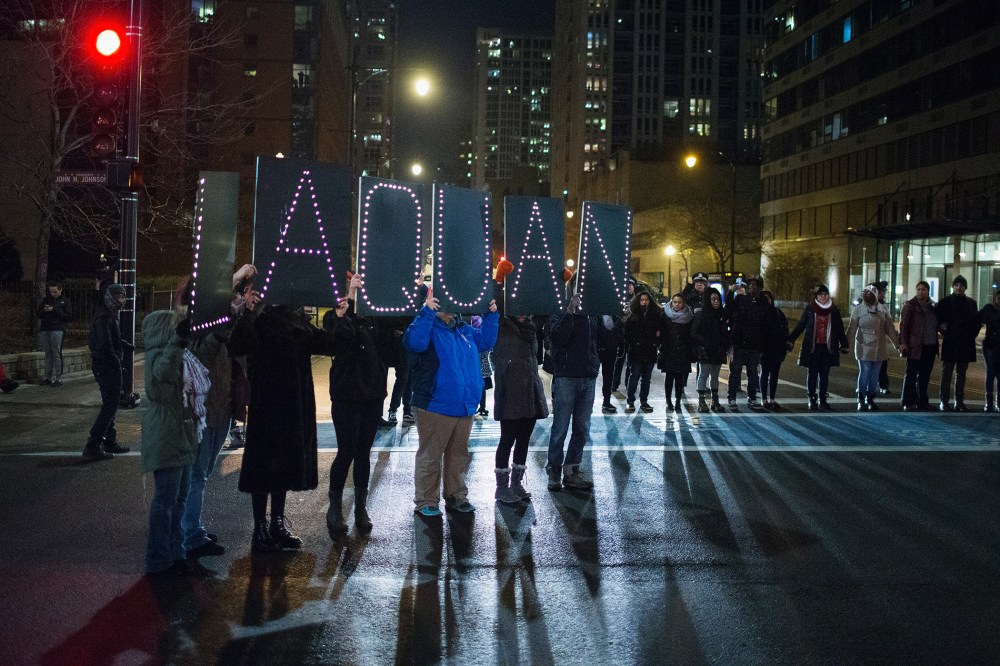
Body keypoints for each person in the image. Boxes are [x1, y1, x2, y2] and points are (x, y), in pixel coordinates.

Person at [238, 302, 340, 552]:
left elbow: (327, 344)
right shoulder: (260, 318)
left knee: (281, 465)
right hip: (268, 402)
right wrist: (250, 312)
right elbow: (241, 344)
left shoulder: (294, 320)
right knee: (264, 466)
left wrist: (338, 316)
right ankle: (260, 527)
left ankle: (276, 524)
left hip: (292, 404)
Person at [182, 265, 258, 560]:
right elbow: (200, 358)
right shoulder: (197, 324)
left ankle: (191, 527)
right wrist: (236, 279)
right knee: (197, 475)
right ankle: (189, 534)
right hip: (204, 408)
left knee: (202, 472)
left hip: (222, 407)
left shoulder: (226, 324)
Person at [404, 287, 499, 516]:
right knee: (431, 456)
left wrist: (491, 315)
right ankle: (426, 501)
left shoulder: (463, 329)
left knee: (458, 455)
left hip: (464, 405)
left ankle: (457, 495)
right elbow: (414, 343)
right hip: (436, 405)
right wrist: (426, 311)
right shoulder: (426, 327)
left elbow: (486, 341)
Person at [141, 279, 209, 577]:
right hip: (167, 432)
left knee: (179, 499)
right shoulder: (161, 354)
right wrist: (175, 342)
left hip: (182, 431)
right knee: (165, 500)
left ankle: (176, 551)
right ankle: (158, 558)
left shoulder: (176, 351)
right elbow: (161, 378)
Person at [322, 274, 386, 536]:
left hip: (372, 393)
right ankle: (335, 507)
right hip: (347, 394)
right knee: (346, 450)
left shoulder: (372, 318)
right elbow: (338, 337)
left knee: (364, 452)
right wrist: (346, 303)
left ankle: (361, 507)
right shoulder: (335, 315)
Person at [545, 293, 601, 491]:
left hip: (588, 376)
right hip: (566, 376)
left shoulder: (593, 313)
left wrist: (620, 321)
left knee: (582, 428)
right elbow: (557, 339)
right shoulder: (560, 309)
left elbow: (605, 340)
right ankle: (554, 470)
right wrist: (570, 313)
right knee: (560, 427)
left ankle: (571, 471)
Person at [492, 312, 548, 504]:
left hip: (530, 390)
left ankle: (516, 483)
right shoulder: (502, 325)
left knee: (524, 439)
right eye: (519, 311)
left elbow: (547, 308)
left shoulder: (531, 327)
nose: (523, 315)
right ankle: (501, 487)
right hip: (510, 391)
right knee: (507, 439)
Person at [83, 283, 132, 460]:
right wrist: (116, 360)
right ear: (110, 297)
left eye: (123, 297)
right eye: (118, 297)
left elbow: (110, 339)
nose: (122, 301)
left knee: (110, 404)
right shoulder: (105, 316)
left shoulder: (108, 314)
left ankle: (109, 441)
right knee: (110, 405)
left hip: (105, 365)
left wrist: (124, 346)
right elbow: (105, 344)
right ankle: (93, 443)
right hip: (107, 366)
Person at [787, 284, 849, 410]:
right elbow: (801, 325)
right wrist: (791, 339)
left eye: (825, 294)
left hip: (828, 347)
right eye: (821, 294)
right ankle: (812, 398)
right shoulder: (810, 309)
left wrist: (844, 344)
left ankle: (823, 398)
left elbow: (839, 328)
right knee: (812, 373)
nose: (823, 297)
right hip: (813, 347)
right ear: (816, 296)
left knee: (825, 374)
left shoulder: (833, 310)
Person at [845, 284, 899, 411]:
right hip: (863, 345)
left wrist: (897, 344)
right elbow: (852, 328)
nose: (868, 296)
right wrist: (845, 344)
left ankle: (870, 398)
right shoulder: (858, 310)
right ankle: (861, 398)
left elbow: (890, 329)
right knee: (865, 372)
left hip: (879, 346)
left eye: (871, 294)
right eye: (866, 293)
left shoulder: (883, 309)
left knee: (875, 374)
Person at [936, 275, 980, 412]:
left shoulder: (971, 303)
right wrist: (948, 333)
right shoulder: (945, 302)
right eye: (956, 285)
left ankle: (959, 402)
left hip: (965, 343)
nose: (959, 288)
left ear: (965, 288)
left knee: (961, 374)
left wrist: (971, 335)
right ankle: (944, 401)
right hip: (950, 342)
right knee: (947, 373)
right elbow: (939, 322)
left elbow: (976, 323)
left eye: (961, 285)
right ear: (953, 287)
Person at [725, 276, 768, 411]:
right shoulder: (742, 299)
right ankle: (732, 398)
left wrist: (763, 344)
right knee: (735, 372)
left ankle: (752, 397)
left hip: (754, 343)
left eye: (755, 285)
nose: (752, 287)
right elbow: (729, 308)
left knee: (752, 373)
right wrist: (731, 292)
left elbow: (766, 323)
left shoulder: (763, 302)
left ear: (760, 287)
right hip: (739, 343)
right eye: (750, 285)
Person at [898, 281, 938, 412]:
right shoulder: (910, 305)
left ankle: (922, 401)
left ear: (928, 291)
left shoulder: (933, 306)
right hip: (915, 345)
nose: (921, 292)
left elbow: (937, 324)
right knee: (911, 374)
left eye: (924, 289)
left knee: (925, 375)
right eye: (919, 289)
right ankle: (907, 401)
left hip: (930, 345)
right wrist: (903, 343)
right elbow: (904, 326)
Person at [623, 291, 661, 413]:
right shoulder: (633, 316)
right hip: (636, 351)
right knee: (634, 377)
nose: (644, 302)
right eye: (642, 300)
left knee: (646, 378)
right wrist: (634, 342)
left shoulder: (655, 315)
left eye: (646, 300)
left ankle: (644, 401)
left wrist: (656, 339)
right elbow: (627, 334)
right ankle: (630, 401)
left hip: (649, 350)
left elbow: (659, 332)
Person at [691, 289, 727, 412]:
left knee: (715, 376)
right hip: (705, 349)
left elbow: (724, 332)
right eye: (713, 299)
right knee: (703, 374)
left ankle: (715, 400)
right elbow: (694, 333)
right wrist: (705, 341)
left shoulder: (721, 314)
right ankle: (701, 401)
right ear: (708, 300)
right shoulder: (701, 314)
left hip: (718, 349)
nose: (716, 302)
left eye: (718, 299)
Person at [658, 293, 693, 412]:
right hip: (669, 350)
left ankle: (678, 401)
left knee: (680, 378)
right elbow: (661, 331)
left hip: (683, 351)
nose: (677, 304)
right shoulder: (665, 314)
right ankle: (668, 401)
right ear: (671, 302)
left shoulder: (688, 316)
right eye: (675, 302)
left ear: (683, 303)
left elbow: (690, 335)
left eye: (679, 302)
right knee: (669, 377)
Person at [36, 279, 72, 386]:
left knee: (56, 353)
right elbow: (38, 314)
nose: (53, 294)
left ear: (60, 290)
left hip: (58, 329)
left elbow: (68, 316)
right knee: (48, 353)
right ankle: (47, 376)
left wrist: (54, 310)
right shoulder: (46, 300)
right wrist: (45, 310)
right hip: (46, 329)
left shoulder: (65, 301)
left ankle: (58, 378)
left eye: (55, 291)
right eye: (51, 291)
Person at [759, 290, 790, 410]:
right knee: (764, 373)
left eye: (768, 298)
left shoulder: (777, 312)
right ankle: (763, 399)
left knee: (774, 375)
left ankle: (772, 399)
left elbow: (785, 329)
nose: (767, 300)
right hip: (765, 349)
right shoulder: (759, 313)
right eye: (764, 298)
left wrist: (786, 343)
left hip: (777, 348)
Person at [598, 314, 624, 413]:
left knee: (608, 376)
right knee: (591, 378)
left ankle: (606, 401)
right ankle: (589, 401)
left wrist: (621, 346)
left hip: (610, 350)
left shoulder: (615, 316)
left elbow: (620, 332)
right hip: (598, 349)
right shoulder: (596, 316)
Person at [978, 292, 1000, 412]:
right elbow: (977, 319)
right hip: (990, 345)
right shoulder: (989, 309)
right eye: (998, 298)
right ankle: (989, 402)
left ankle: (998, 402)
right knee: (990, 372)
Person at [875, 281, 893, 395]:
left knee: (883, 364)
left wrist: (897, 342)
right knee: (867, 367)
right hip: (867, 342)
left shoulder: (884, 307)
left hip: (881, 341)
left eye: (884, 291)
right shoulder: (865, 306)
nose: (883, 294)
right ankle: (865, 388)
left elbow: (889, 325)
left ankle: (883, 385)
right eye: (881, 291)